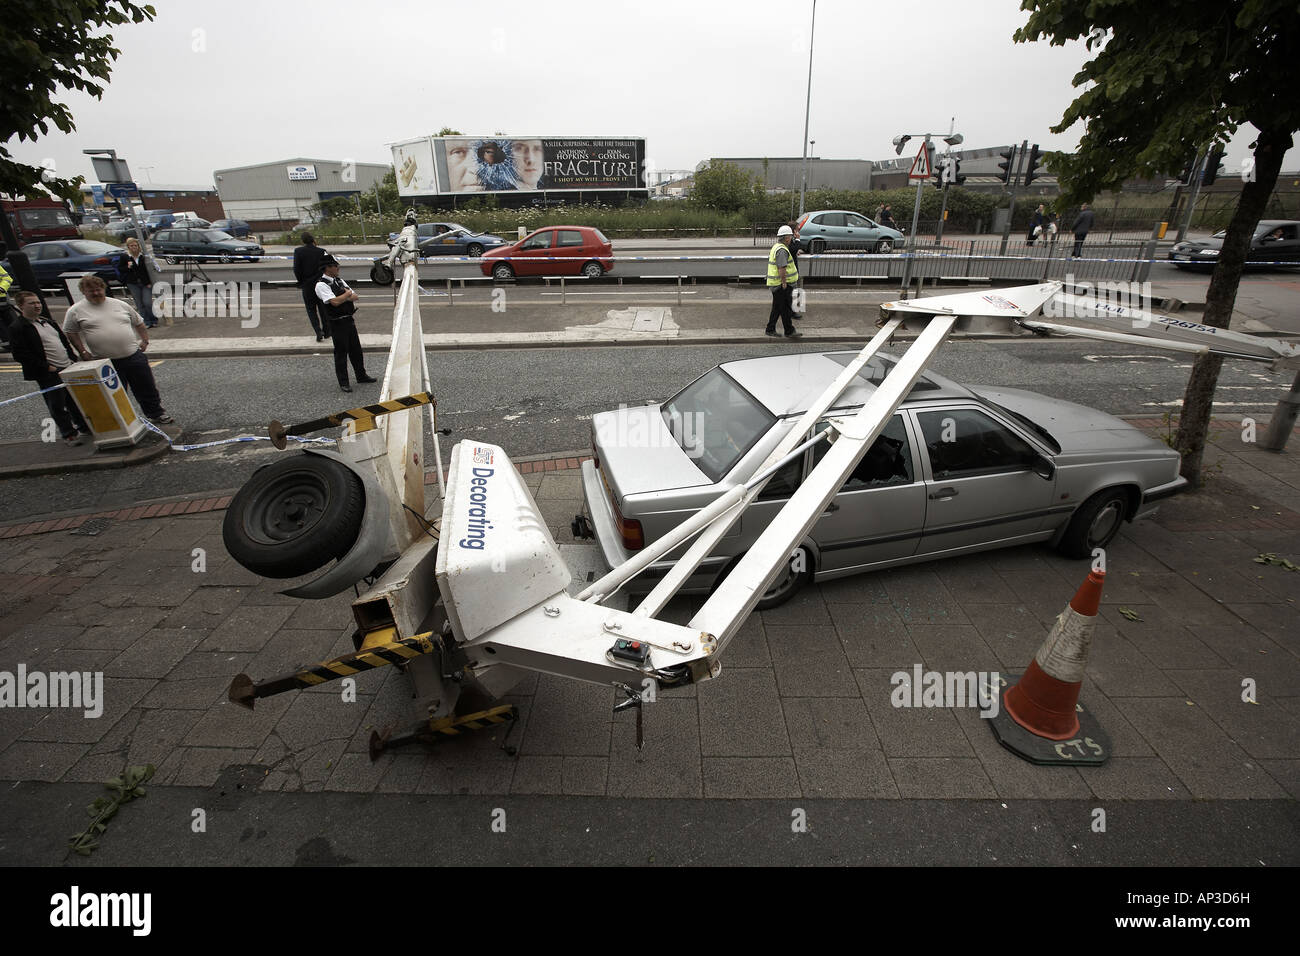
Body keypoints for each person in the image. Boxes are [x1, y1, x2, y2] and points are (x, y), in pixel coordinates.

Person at [62, 274, 174, 424]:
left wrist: (145, 340)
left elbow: (138, 322)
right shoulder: (75, 310)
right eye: (91, 291)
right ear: (83, 292)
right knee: (114, 394)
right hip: (104, 362)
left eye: (98, 289)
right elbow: (70, 332)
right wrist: (82, 351)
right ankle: (124, 421)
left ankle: (156, 413)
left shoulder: (119, 304)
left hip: (133, 355)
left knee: (146, 388)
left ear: (103, 288)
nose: (96, 293)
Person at [9, 290, 90, 444]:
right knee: (57, 405)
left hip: (67, 367)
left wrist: (72, 359)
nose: (37, 305)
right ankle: (69, 435)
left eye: (38, 302)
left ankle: (84, 427)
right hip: (48, 373)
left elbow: (63, 342)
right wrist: (46, 367)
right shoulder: (18, 327)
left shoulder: (48, 322)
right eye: (31, 303)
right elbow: (20, 354)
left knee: (74, 401)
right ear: (20, 306)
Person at [315, 254, 376, 393]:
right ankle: (344, 382)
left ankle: (361, 375)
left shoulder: (340, 281)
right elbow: (334, 302)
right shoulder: (321, 285)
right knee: (341, 353)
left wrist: (345, 295)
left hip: (349, 318)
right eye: (335, 266)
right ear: (327, 268)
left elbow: (355, 296)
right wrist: (346, 295)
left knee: (356, 350)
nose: (338, 268)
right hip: (337, 322)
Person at [765, 225, 802, 339]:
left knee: (777, 307)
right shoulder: (782, 250)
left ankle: (770, 329)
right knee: (785, 308)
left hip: (776, 284)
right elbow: (782, 268)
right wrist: (784, 283)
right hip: (781, 285)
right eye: (790, 236)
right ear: (786, 238)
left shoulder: (777, 246)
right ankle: (789, 331)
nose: (791, 238)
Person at [293, 233, 330, 341]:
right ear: (313, 240)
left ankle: (318, 331)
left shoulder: (298, 251)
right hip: (320, 283)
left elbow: (296, 269)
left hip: (307, 284)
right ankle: (327, 331)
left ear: (303, 241)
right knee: (323, 308)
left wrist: (301, 281)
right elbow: (327, 266)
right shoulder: (321, 251)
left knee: (311, 309)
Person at [116, 237, 159, 328]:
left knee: (147, 302)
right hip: (132, 283)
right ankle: (145, 321)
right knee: (139, 303)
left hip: (145, 283)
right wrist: (127, 267)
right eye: (131, 246)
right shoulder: (125, 257)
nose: (134, 247)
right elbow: (120, 269)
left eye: (135, 245)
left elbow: (148, 270)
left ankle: (153, 319)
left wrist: (149, 281)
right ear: (128, 247)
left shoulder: (143, 256)